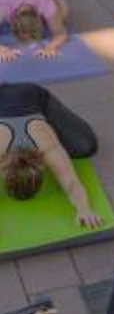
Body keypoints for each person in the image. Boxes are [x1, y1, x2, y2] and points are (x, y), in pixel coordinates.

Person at [0, 82, 101, 227]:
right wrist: (84, 210)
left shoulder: (45, 143)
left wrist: (85, 210)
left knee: (86, 147)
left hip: (33, 95)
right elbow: (70, 183)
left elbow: (72, 183)